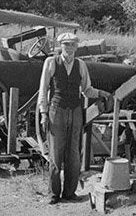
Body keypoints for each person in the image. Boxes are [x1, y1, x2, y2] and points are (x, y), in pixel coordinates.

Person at [37, 32, 108, 204]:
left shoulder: (80, 65)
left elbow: (87, 90)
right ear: (60, 46)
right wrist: (43, 113)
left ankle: (69, 193)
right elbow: (43, 90)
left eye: (72, 45)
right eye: (66, 44)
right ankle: (53, 194)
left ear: (77, 47)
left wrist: (102, 93)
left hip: (75, 111)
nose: (69, 48)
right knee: (56, 153)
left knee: (74, 154)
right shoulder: (51, 62)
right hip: (56, 110)